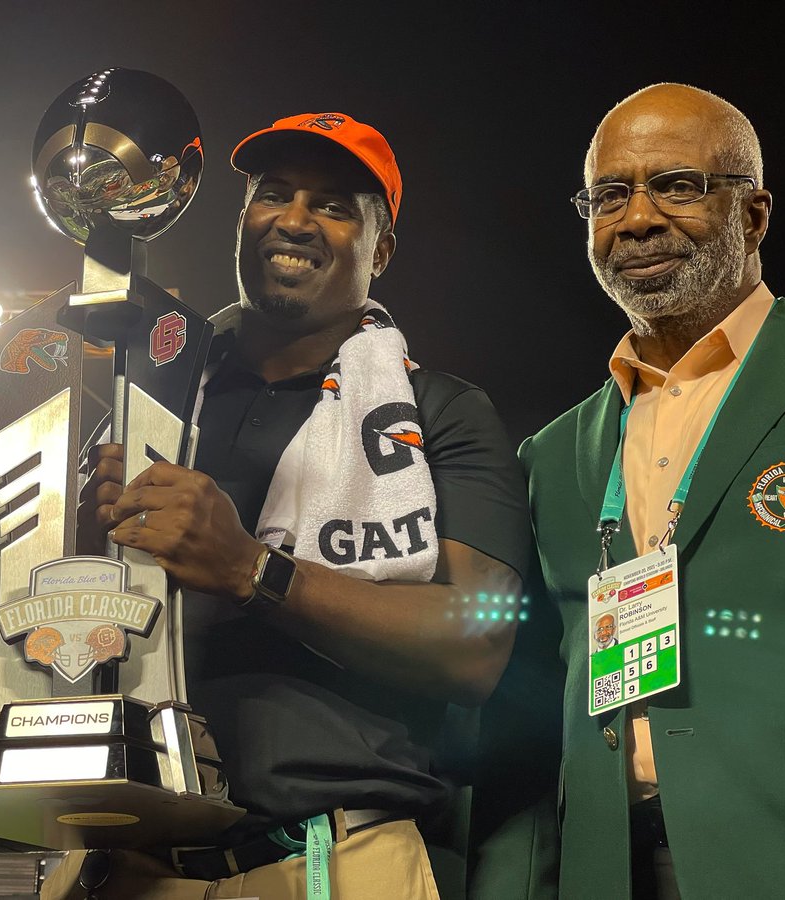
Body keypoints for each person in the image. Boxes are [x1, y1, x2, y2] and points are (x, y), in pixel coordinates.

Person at [41, 113, 533, 900]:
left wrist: (253, 570)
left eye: (335, 205)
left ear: (384, 247)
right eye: (274, 194)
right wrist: (72, 540)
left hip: (331, 861)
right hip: (125, 860)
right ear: (243, 221)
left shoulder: (439, 410)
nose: (295, 218)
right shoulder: (153, 402)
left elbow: (476, 648)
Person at [519, 82, 785, 897]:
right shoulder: (551, 455)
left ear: (753, 216)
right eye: (609, 195)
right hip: (609, 864)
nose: (638, 218)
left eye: (677, 186)